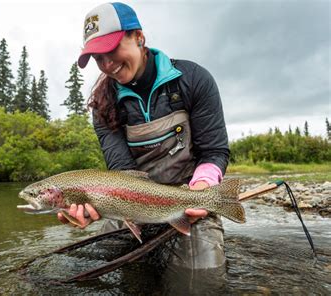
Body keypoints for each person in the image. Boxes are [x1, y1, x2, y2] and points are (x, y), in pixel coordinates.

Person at [57, 2, 230, 278]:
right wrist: (96, 207)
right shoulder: (104, 106)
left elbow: (215, 151)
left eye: (111, 49)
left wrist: (203, 186)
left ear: (138, 36)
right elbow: (122, 173)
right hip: (131, 204)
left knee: (201, 281)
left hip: (188, 199)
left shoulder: (194, 80)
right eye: (98, 58)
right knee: (107, 272)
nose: (107, 64)